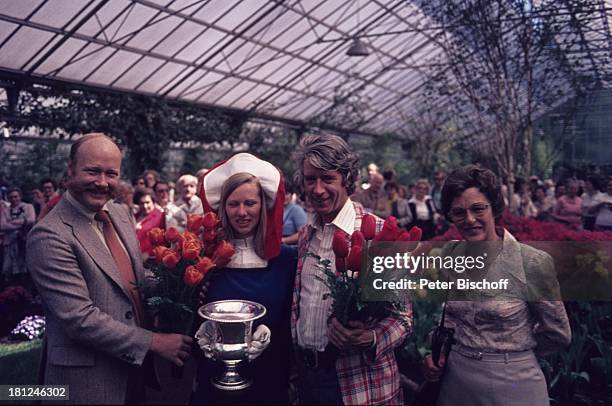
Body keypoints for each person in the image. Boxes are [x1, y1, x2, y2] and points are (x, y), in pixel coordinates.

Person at [27, 133, 193, 405]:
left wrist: (182, 283)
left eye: (111, 174)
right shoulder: (49, 235)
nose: (102, 182)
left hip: (134, 371)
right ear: (70, 170)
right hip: (87, 382)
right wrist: (153, 342)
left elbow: (133, 278)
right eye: (92, 171)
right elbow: (80, 319)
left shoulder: (118, 213)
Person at [422, 164, 571, 406]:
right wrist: (435, 355)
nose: (469, 220)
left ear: (494, 208)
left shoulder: (531, 263)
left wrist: (513, 353)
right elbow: (449, 320)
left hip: (513, 385)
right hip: (455, 382)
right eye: (459, 212)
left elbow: (558, 334)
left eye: (478, 209)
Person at [292, 134, 412, 405]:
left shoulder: (380, 234)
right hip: (308, 379)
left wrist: (369, 337)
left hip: (359, 385)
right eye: (311, 180)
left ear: (347, 179)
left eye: (328, 179)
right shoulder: (306, 235)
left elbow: (404, 319)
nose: (318, 189)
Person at [193, 153, 297, 405]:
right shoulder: (203, 259)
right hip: (213, 378)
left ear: (263, 205)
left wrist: (271, 334)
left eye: (250, 203)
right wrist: (200, 331)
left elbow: (294, 320)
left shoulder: (286, 260)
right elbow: (189, 315)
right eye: (233, 204)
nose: (241, 212)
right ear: (222, 208)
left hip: (270, 377)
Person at [1, 188, 35, 284]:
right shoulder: (5, 210)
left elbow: (31, 220)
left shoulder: (28, 207)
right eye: (11, 197)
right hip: (10, 243)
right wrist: (23, 222)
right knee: (9, 268)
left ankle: (26, 292)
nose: (14, 199)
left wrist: (12, 223)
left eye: (16, 196)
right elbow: (2, 226)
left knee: (25, 266)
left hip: (24, 241)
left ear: (20, 196)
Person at [134, 188, 165, 255]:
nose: (145, 206)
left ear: (153, 202)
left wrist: (149, 253)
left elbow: (163, 241)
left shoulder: (160, 216)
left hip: (150, 258)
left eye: (147, 202)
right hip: (135, 256)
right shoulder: (134, 216)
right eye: (142, 203)